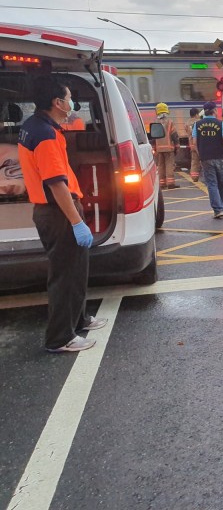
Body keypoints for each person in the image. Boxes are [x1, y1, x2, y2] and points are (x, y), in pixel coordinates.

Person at [17, 76, 107, 353]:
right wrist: (77, 222)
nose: (72, 103)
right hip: (58, 212)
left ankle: (78, 320)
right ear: (57, 103)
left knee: (76, 270)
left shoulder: (35, 126)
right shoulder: (44, 135)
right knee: (64, 276)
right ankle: (59, 338)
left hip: (55, 211)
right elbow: (56, 184)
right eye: (69, 98)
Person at [192, 101, 223, 218]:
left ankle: (218, 210)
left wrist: (201, 155)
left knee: (212, 184)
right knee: (221, 183)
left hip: (206, 158)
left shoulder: (197, 125)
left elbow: (194, 143)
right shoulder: (221, 124)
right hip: (220, 157)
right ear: (214, 111)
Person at [154, 102, 179, 189]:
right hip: (169, 148)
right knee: (169, 164)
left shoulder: (155, 122)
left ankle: (162, 183)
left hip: (159, 149)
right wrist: (177, 145)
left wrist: (154, 146)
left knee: (160, 165)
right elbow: (174, 135)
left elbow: (153, 137)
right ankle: (170, 183)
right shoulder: (170, 122)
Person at [185, 107, 202, 182]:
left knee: (194, 161)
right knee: (204, 160)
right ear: (196, 114)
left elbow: (188, 132)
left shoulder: (187, 123)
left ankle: (194, 177)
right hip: (200, 144)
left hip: (192, 144)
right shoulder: (200, 122)